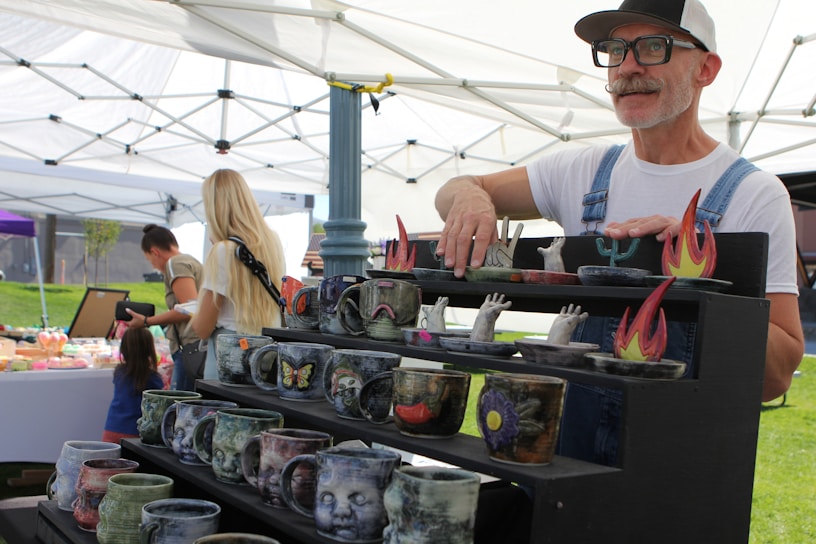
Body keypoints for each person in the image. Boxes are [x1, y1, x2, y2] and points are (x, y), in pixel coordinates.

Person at [435, 0, 804, 463]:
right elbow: (454, 188)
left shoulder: (753, 193)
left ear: (706, 69)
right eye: (615, 49)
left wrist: (697, 281)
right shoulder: (582, 171)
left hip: (676, 468)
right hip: (565, 459)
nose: (627, 67)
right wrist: (472, 197)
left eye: (654, 47)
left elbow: (777, 377)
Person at [190, 169, 286, 380]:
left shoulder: (223, 251)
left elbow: (203, 328)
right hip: (265, 354)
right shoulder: (272, 243)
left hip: (229, 356)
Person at [125, 224, 203, 391]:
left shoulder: (175, 264)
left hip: (191, 347)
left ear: (155, 252)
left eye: (149, 259)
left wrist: (147, 321)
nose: (153, 265)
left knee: (180, 408)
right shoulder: (191, 261)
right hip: (197, 347)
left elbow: (189, 308)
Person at [102, 327, 164, 444]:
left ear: (124, 349)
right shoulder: (152, 378)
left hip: (112, 428)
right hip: (135, 433)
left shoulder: (119, 372)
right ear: (149, 350)